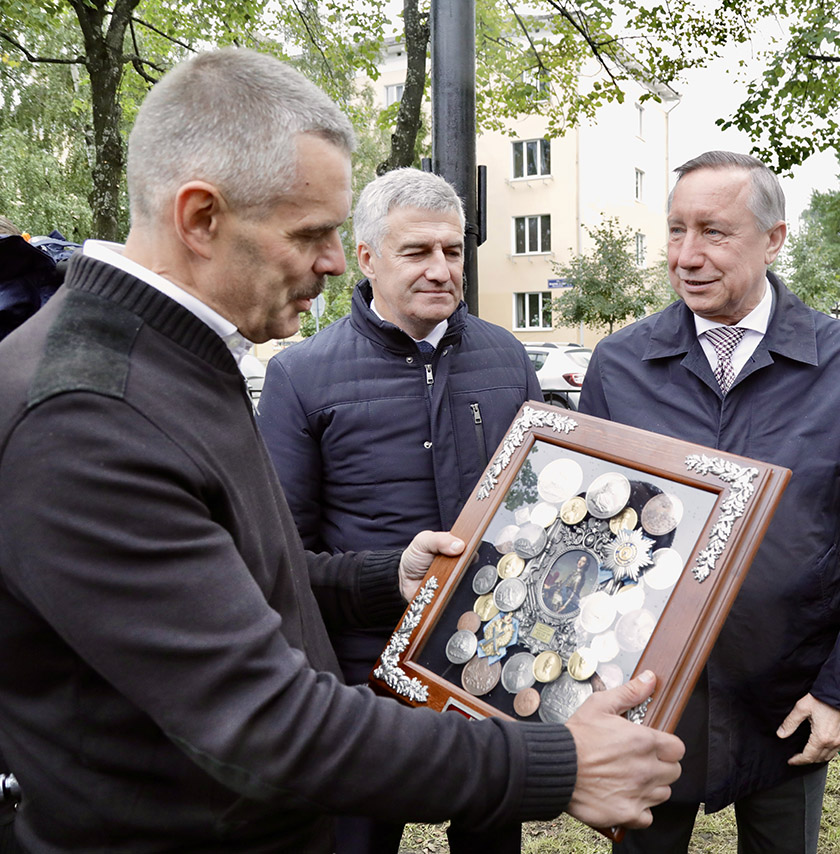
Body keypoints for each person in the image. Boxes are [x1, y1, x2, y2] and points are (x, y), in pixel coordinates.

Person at [0, 48, 683, 853]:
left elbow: (249, 571)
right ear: (199, 218)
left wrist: (377, 578)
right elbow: (263, 723)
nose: (333, 262)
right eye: (313, 233)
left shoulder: (176, 358)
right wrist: (557, 762)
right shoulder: (89, 413)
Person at [578, 150, 840, 854]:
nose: (687, 255)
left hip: (788, 694)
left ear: (775, 239)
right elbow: (589, 536)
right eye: (675, 231)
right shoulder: (620, 364)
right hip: (652, 696)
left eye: (714, 232)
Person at [256, 166, 542, 854]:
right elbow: (279, 559)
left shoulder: (506, 358)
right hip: (360, 680)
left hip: (488, 668)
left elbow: (537, 507)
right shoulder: (302, 375)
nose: (441, 269)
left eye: (453, 250)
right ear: (367, 258)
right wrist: (390, 576)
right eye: (417, 252)